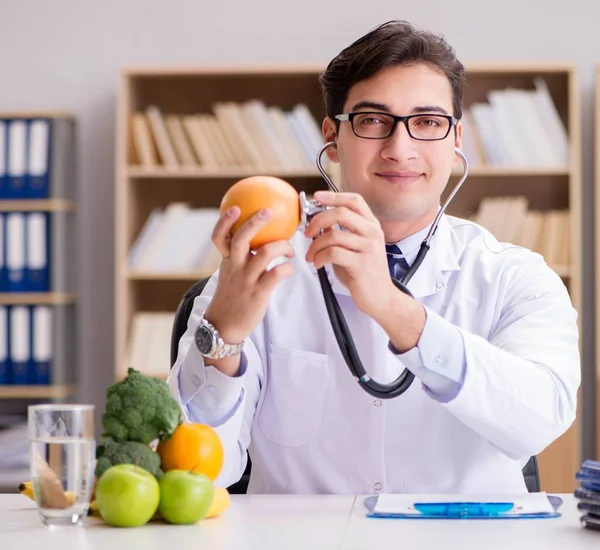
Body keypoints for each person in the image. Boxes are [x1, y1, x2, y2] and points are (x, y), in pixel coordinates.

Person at [167, 20, 580, 495]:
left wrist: (389, 303)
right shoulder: (254, 272)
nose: (400, 148)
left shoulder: (517, 277)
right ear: (332, 137)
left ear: (457, 139)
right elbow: (197, 476)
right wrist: (225, 339)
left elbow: (538, 422)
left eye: (427, 122)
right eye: (372, 120)